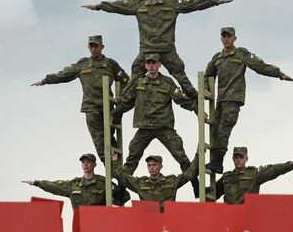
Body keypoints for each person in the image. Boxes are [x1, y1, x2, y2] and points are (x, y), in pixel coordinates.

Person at [82, 0, 233, 99]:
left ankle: (196, 99)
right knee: (135, 73)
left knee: (180, 75)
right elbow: (119, 6)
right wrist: (99, 7)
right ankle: (120, 103)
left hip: (167, 49)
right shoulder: (139, 4)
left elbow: (194, 3)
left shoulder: (172, 3)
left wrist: (214, 2)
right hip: (147, 49)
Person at [204, 27, 293, 173]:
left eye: (229, 36)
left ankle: (217, 162)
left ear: (234, 38)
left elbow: (259, 66)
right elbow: (208, 74)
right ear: (221, 39)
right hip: (220, 100)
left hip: (233, 99)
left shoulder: (241, 54)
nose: (226, 39)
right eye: (224, 37)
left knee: (223, 131)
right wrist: (205, 88)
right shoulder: (218, 58)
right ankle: (216, 161)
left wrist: (279, 74)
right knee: (215, 131)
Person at [111, 53, 200, 197]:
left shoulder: (167, 82)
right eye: (149, 63)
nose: (151, 66)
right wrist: (114, 113)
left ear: (159, 65)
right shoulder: (139, 82)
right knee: (132, 158)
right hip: (145, 127)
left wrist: (197, 109)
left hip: (164, 127)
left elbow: (182, 100)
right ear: (145, 66)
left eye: (154, 63)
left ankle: (196, 185)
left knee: (181, 157)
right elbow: (127, 102)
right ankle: (121, 189)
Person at [30, 35, 129, 163]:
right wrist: (45, 80)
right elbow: (63, 75)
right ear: (88, 47)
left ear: (102, 47)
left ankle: (119, 168)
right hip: (91, 108)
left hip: (108, 108)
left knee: (108, 137)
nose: (93, 49)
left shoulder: (110, 64)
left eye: (96, 46)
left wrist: (121, 97)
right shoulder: (83, 64)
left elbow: (126, 80)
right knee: (100, 141)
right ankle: (116, 171)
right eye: (91, 46)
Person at [22, 152, 130, 208]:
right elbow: (54, 186)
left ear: (94, 164)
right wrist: (37, 183)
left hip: (100, 223)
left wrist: (114, 194)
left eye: (88, 162)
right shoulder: (73, 185)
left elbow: (124, 197)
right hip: (80, 225)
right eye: (83, 162)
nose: (86, 164)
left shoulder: (103, 183)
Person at [211, 147, 293, 203]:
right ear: (233, 159)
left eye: (241, 157)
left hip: (247, 216)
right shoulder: (227, 177)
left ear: (246, 159)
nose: (238, 160)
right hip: (229, 216)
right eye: (236, 157)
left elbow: (273, 170)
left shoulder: (253, 173)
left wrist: (291, 164)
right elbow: (212, 194)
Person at [111, 152, 199, 211]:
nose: (151, 168)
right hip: (148, 222)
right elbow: (122, 177)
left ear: (161, 166)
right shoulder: (140, 183)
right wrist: (114, 160)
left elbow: (189, 174)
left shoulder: (171, 181)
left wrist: (198, 155)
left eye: (154, 165)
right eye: (149, 165)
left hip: (168, 221)